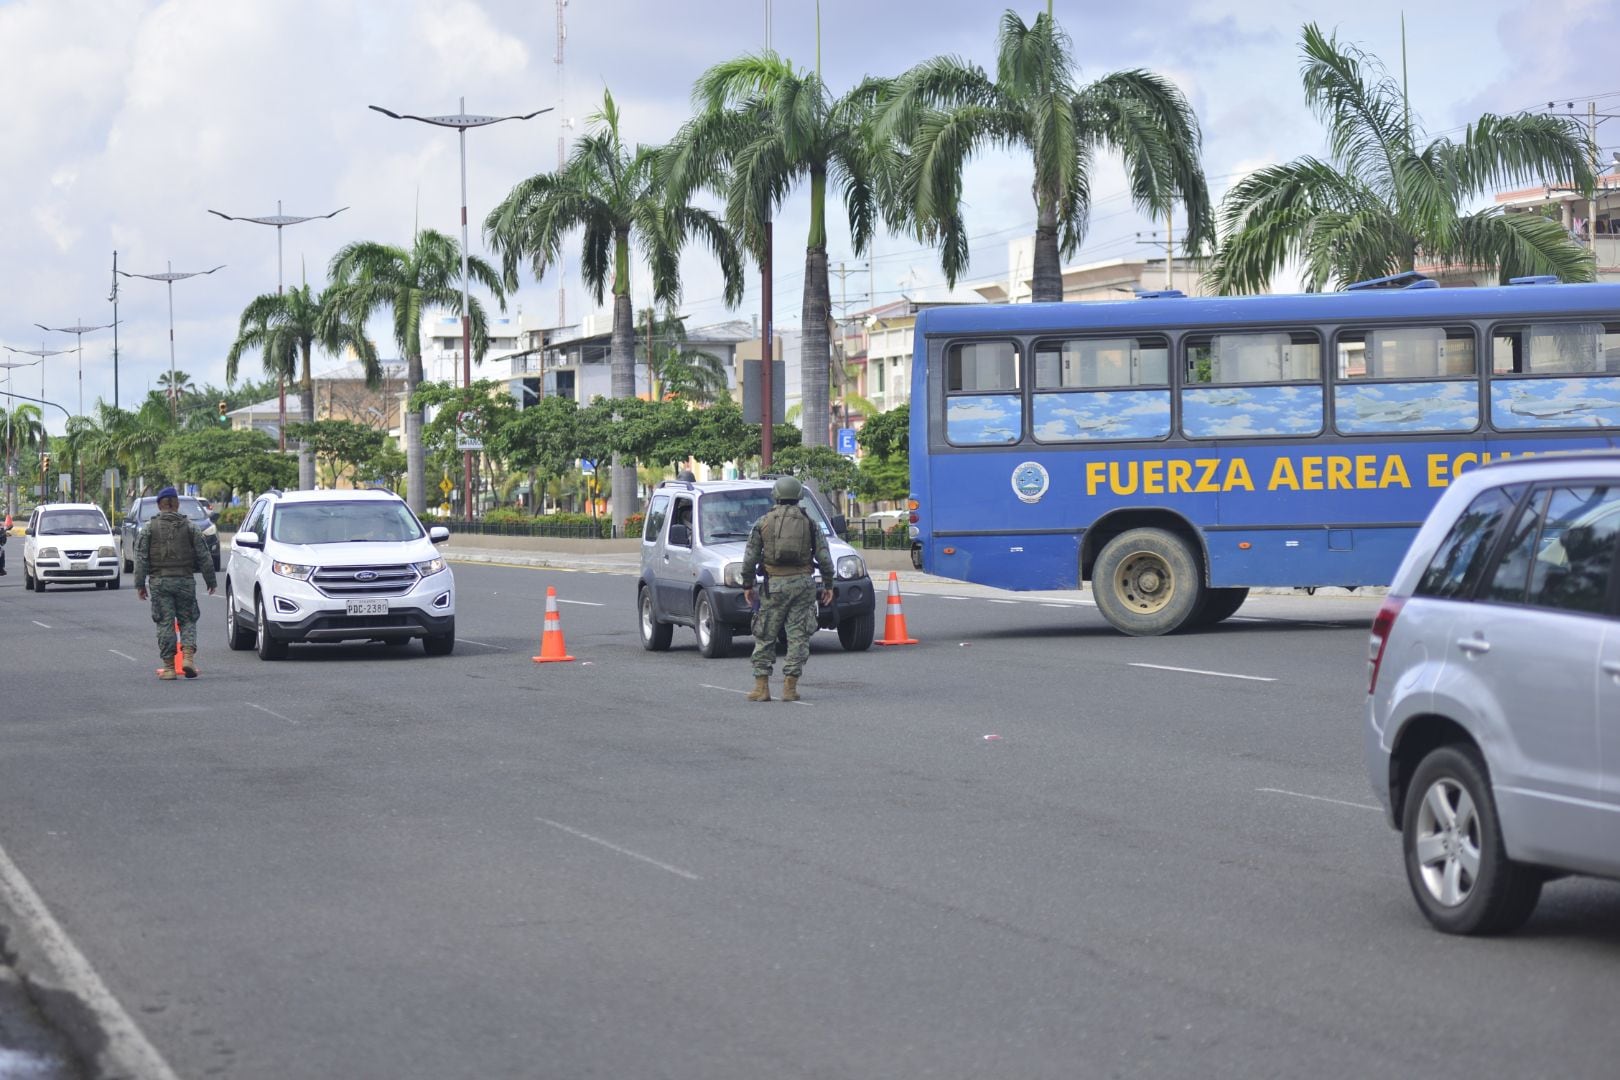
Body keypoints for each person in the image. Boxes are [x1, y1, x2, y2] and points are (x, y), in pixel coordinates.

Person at [740, 476, 833, 702]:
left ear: (776, 495)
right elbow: (824, 556)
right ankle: (790, 687)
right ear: (799, 497)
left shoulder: (763, 522)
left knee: (765, 634)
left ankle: (762, 688)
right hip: (803, 585)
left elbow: (749, 558)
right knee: (798, 636)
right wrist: (828, 584)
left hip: (774, 586)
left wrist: (747, 584)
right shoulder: (809, 522)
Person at [133, 487, 216, 679]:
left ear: (159, 505)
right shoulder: (190, 527)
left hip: (160, 582)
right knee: (188, 620)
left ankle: (169, 667)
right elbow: (204, 556)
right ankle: (187, 658)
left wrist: (140, 585)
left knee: (165, 623)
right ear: (177, 504)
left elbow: (141, 559)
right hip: (185, 581)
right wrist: (210, 580)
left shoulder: (149, 528)